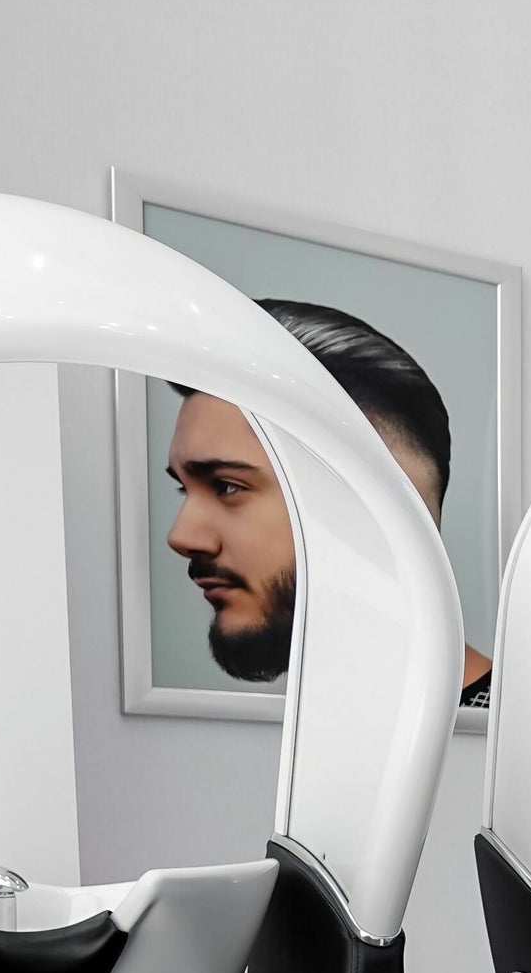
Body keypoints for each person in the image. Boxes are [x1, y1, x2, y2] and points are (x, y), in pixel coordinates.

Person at [164, 298, 494, 702]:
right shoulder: (333, 729)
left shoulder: (516, 746)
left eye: (228, 486)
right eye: (184, 488)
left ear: (377, 506)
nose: (181, 536)